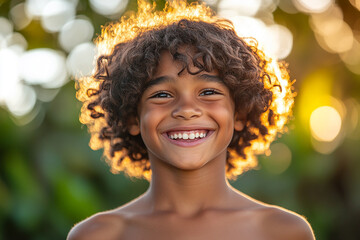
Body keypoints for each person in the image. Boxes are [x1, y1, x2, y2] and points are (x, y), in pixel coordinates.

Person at [68, 0, 315, 239]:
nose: (187, 110)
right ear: (133, 117)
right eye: (162, 94)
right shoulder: (98, 235)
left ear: (239, 113)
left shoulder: (283, 232)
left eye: (208, 92)